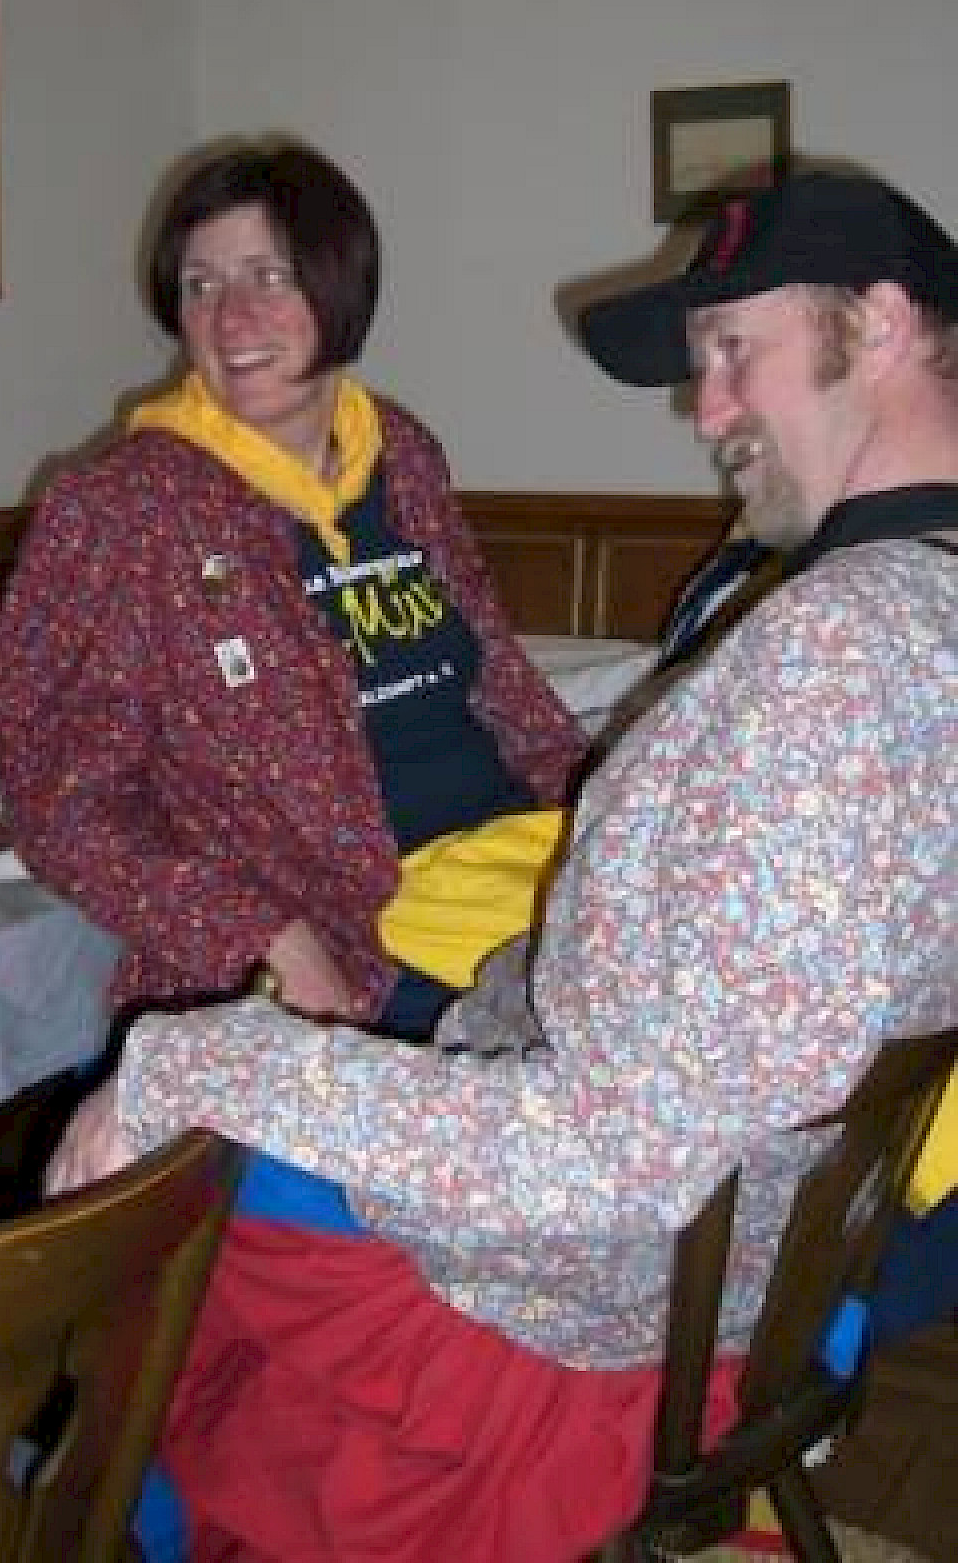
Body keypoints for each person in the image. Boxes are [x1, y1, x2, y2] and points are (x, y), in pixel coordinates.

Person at [48, 165, 958, 1563]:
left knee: (150, 1203)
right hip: (752, 1249)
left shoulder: (836, 650)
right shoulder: (919, 604)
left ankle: (126, 1509)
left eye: (734, 350)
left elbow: (614, 1158)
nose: (706, 408)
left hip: (597, 1305)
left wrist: (194, 1062)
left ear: (881, 324)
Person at [0, 138, 585, 1039]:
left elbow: (498, 679)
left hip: (521, 866)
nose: (231, 318)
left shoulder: (399, 452)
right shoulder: (126, 507)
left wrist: (604, 814)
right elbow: (49, 784)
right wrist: (261, 933)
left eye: (268, 277)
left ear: (339, 287)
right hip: (357, 936)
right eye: (200, 286)